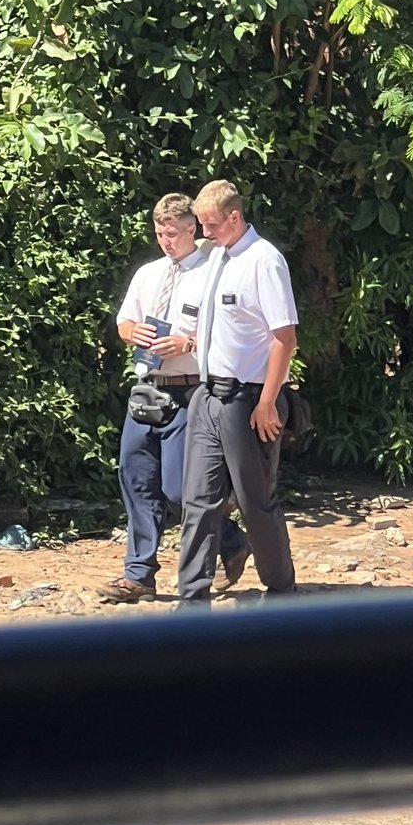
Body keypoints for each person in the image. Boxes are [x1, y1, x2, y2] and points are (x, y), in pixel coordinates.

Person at [98, 194, 249, 604]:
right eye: (160, 233)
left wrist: (187, 342)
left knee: (181, 489)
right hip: (148, 387)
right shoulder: (149, 274)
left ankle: (231, 540)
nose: (166, 241)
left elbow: (230, 333)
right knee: (136, 478)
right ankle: (139, 574)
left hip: (191, 388)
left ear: (191, 229)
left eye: (173, 233)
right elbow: (124, 321)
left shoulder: (213, 273)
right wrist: (132, 333)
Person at [177, 180, 298, 604]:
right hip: (208, 395)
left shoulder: (264, 260)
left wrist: (268, 401)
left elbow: (284, 337)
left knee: (254, 501)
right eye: (202, 225)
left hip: (247, 399)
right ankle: (192, 599)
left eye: (211, 225)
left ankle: (281, 591)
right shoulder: (216, 257)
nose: (205, 233)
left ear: (234, 216)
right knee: (198, 501)